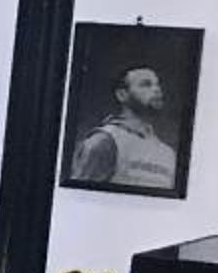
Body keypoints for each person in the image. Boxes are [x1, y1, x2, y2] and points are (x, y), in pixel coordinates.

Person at [71, 62, 179, 190]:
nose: (157, 89)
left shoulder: (168, 153)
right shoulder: (105, 141)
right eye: (146, 84)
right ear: (122, 95)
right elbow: (81, 196)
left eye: (157, 84)